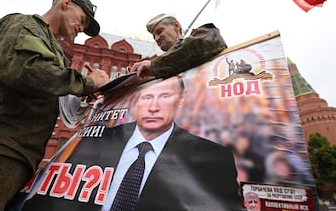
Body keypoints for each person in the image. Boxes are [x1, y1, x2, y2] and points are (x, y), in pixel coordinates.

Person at [0, 0, 109, 210]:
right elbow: (25, 71)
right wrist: (87, 83)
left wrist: (82, 93)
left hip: (14, 154)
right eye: (82, 20)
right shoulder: (25, 26)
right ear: (65, 4)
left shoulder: (52, 47)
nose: (81, 29)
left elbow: (50, 88)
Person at [17, 76, 241, 210]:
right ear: (135, 103)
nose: (153, 107)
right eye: (146, 98)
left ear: (180, 100)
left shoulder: (212, 158)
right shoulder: (98, 139)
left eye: (164, 96)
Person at [130, 13, 227, 79]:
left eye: (159, 32)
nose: (156, 38)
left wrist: (153, 65)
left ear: (176, 26)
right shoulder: (163, 67)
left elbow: (206, 41)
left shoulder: (203, 34)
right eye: (154, 36)